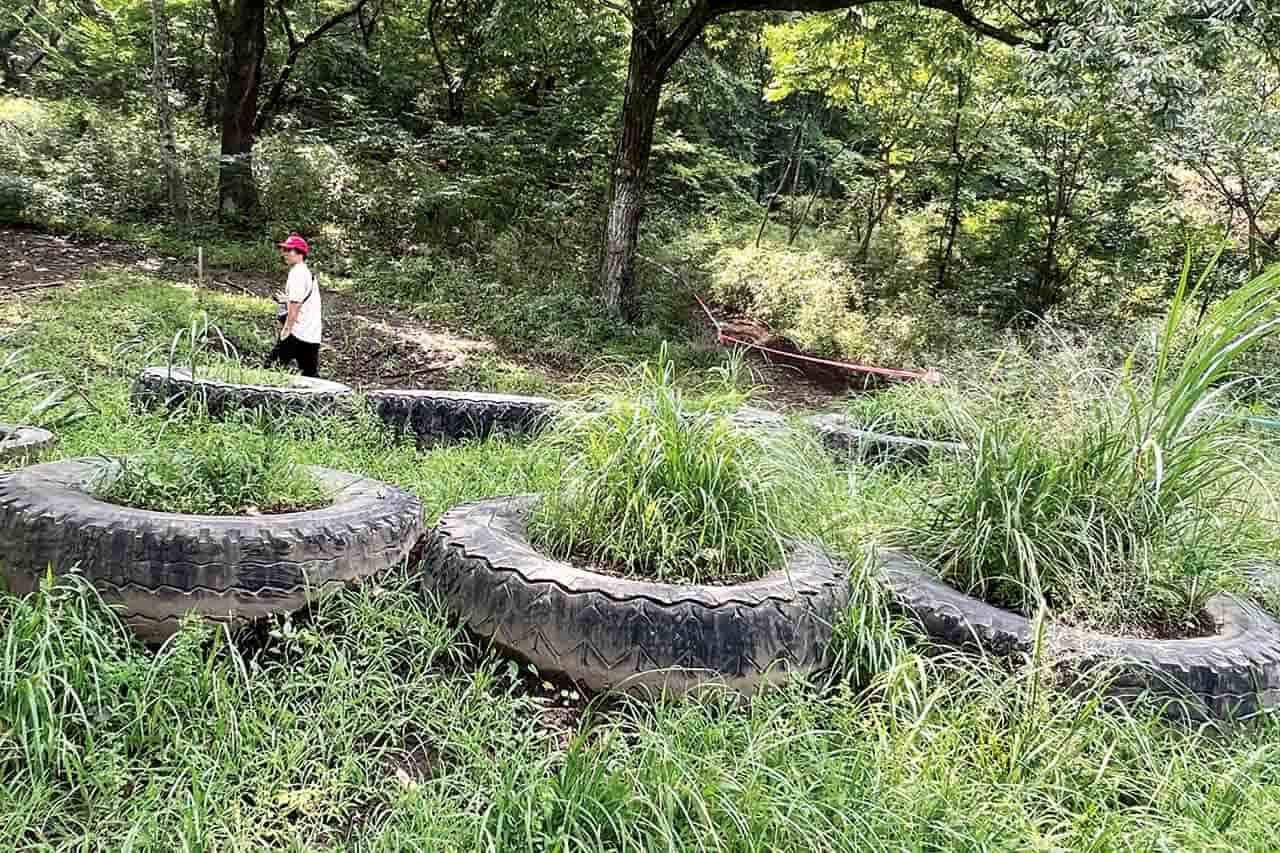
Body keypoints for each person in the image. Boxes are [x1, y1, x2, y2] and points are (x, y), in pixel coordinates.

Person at [267, 233, 323, 378]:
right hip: (312, 334)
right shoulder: (307, 273)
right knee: (311, 378)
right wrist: (286, 300)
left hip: (296, 333)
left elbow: (296, 305)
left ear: (300, 254)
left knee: (269, 371)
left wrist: (286, 330)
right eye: (283, 250)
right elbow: (303, 300)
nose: (284, 254)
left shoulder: (297, 274)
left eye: (288, 250)